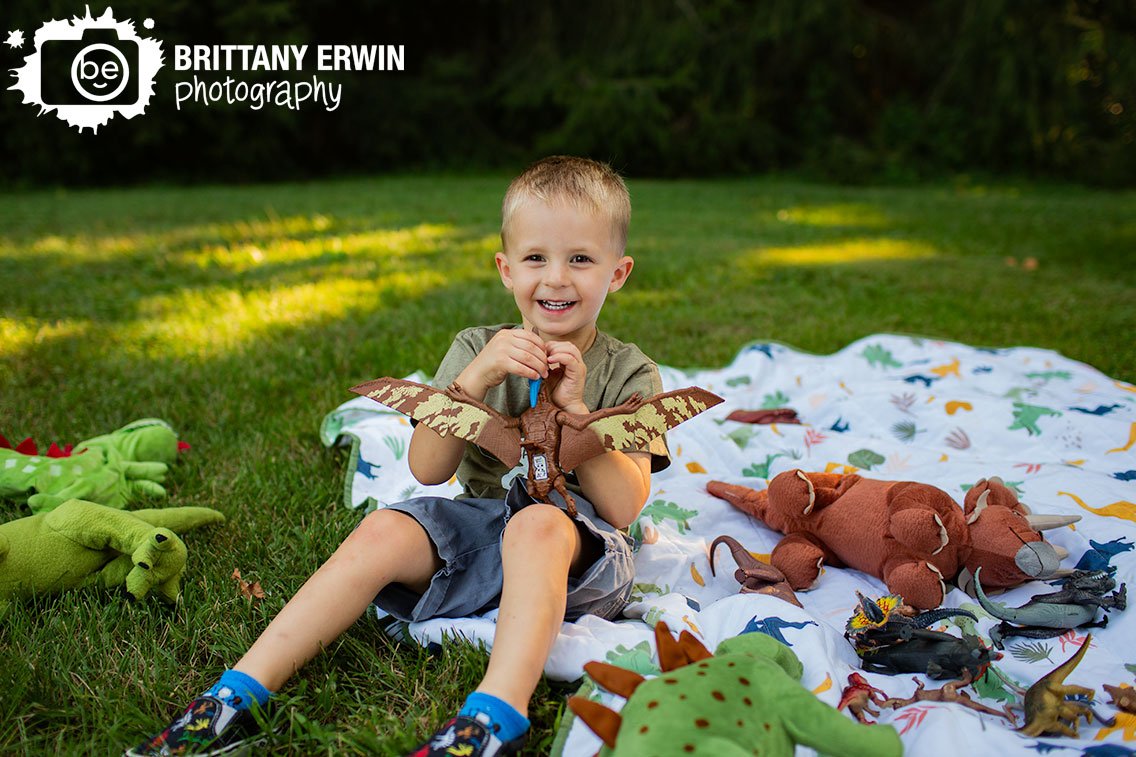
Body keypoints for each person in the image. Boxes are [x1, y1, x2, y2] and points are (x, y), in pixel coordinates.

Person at [126, 156, 670, 757]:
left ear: (617, 274)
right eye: (536, 258)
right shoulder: (474, 349)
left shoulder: (630, 372)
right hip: (485, 531)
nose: (556, 279)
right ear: (505, 268)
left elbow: (622, 505)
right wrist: (472, 383)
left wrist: (576, 412)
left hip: (577, 549)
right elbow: (429, 469)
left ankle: (495, 716)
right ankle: (235, 694)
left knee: (539, 522)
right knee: (385, 526)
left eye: (581, 259)